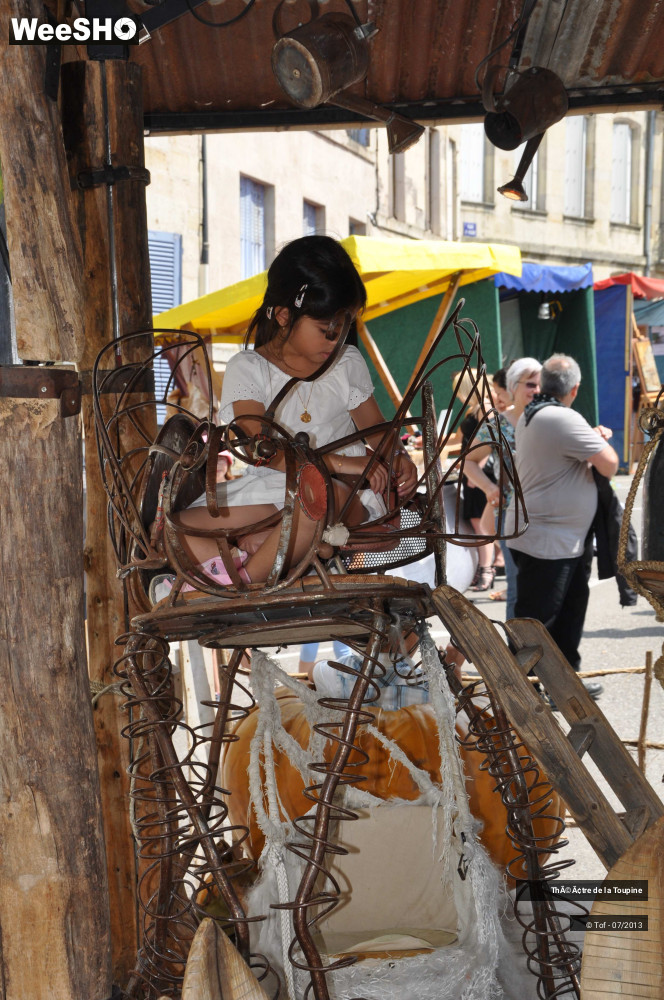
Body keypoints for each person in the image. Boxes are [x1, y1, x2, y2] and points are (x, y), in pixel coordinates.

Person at [165, 236, 419, 591]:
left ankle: (241, 584)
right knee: (170, 530)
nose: (337, 340)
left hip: (340, 496)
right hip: (273, 489)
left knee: (316, 499)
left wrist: (397, 454)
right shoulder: (249, 369)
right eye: (327, 331)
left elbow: (376, 429)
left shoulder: (347, 362)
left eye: (345, 328)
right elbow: (260, 448)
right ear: (284, 315)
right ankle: (275, 553)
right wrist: (348, 463)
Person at [505, 354, 618, 701]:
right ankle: (523, 691)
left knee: (566, 616)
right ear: (576, 388)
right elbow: (610, 464)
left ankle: (563, 685)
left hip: (560, 539)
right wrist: (596, 440)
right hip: (548, 541)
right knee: (539, 622)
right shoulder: (558, 416)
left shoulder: (537, 413)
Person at [463, 359, 542, 618]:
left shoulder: (550, 419)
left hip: (550, 514)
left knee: (548, 586)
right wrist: (489, 488)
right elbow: (469, 461)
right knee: (518, 586)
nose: (537, 390)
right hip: (513, 515)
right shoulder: (498, 424)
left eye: (541, 384)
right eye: (530, 384)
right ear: (514, 387)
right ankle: (516, 649)